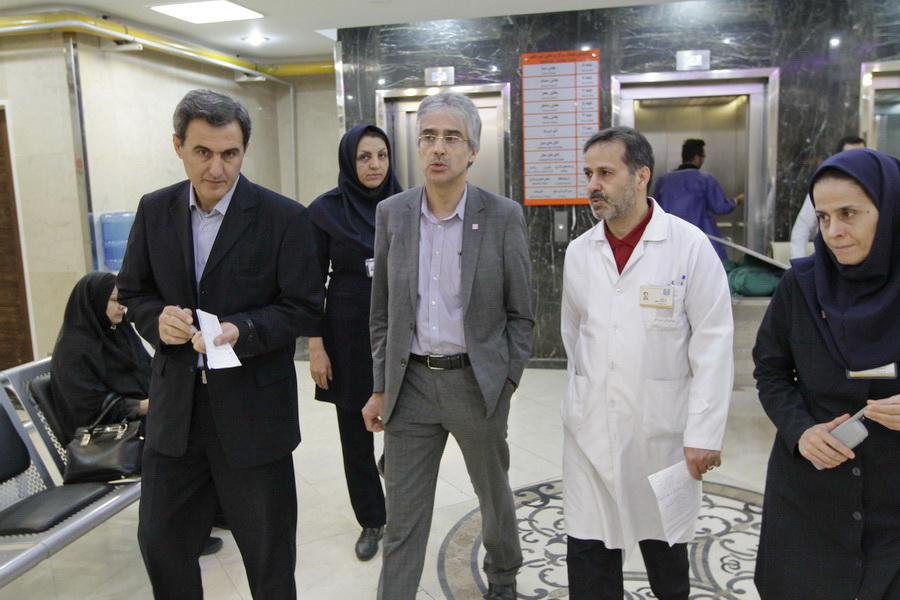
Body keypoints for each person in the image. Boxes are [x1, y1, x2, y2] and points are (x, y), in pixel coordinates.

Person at [117, 89, 323, 599]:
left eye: (230, 153)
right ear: (178, 147)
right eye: (202, 152)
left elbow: (303, 307)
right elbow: (134, 292)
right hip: (176, 413)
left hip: (253, 413)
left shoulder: (284, 218)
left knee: (268, 558)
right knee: (161, 544)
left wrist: (242, 330)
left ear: (244, 148)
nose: (217, 168)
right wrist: (156, 320)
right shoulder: (155, 210)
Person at [362, 92, 534, 600]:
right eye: (428, 137)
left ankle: (503, 575)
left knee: (493, 495)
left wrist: (505, 380)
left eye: (451, 138)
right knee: (403, 515)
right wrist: (380, 386)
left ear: (472, 149)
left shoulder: (501, 216)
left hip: (476, 384)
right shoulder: (393, 213)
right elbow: (381, 313)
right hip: (410, 385)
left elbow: (522, 313)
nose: (438, 148)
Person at [561, 126, 734, 600]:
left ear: (641, 176)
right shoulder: (580, 253)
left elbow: (713, 343)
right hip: (590, 429)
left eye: (605, 173)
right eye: (589, 174)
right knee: (590, 552)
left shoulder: (688, 245)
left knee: (666, 555)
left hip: (663, 434)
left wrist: (704, 432)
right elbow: (574, 336)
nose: (593, 185)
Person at [752, 148, 900, 599]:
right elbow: (771, 369)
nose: (833, 231)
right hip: (810, 494)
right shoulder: (801, 286)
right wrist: (800, 430)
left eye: (849, 214)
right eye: (823, 217)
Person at [49, 271, 223, 556]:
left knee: (200, 421)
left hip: (136, 420)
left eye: (122, 300)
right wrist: (144, 406)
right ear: (93, 303)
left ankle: (210, 513)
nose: (122, 307)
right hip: (103, 435)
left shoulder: (117, 333)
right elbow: (85, 407)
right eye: (113, 301)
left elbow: (148, 370)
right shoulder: (74, 349)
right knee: (178, 441)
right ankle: (184, 533)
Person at [307, 124, 401, 561]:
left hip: (401, 330)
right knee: (354, 432)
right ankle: (371, 519)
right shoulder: (324, 211)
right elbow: (310, 284)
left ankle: (396, 477)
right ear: (349, 161)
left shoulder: (408, 203)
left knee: (406, 420)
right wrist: (316, 346)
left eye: (381, 155)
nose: (374, 165)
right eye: (364, 157)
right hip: (346, 333)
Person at [654, 138, 742, 260]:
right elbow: (720, 207)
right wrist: (737, 201)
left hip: (671, 241)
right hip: (701, 241)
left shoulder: (664, 180)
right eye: (703, 156)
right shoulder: (705, 179)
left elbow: (654, 210)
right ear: (696, 158)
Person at [789, 135, 866, 259]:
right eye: (824, 217)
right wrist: (798, 265)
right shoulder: (824, 190)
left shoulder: (875, 191)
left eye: (862, 157)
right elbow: (801, 229)